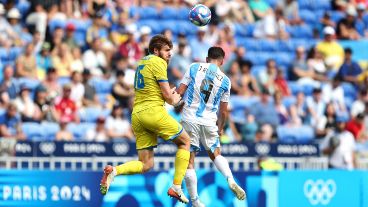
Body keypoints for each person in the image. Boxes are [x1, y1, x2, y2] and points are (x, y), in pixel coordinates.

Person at [99, 35, 191, 204]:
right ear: (156, 51)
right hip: (153, 112)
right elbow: (168, 97)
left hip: (137, 115)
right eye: (166, 50)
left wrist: (169, 94)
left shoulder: (141, 62)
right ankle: (177, 186)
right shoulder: (158, 62)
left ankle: (114, 171)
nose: (170, 54)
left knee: (146, 164)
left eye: (171, 50)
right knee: (185, 142)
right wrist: (176, 98)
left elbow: (153, 89)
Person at [176, 47, 246, 207]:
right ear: (222, 61)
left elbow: (180, 91)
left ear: (207, 59)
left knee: (189, 160)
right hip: (209, 120)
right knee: (216, 154)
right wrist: (220, 128)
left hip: (189, 117)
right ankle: (230, 179)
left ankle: (195, 201)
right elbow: (223, 112)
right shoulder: (226, 80)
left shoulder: (194, 67)